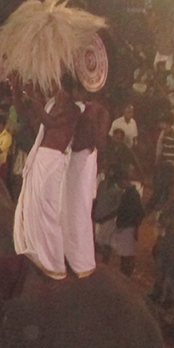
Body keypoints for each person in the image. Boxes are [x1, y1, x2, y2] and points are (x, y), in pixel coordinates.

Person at [12, 77, 82, 279]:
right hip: (41, 157)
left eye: (58, 88)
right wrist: (16, 90)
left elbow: (50, 123)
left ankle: (54, 263)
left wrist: (36, 105)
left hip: (54, 161)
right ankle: (36, 253)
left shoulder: (74, 110)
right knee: (33, 205)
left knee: (48, 209)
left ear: (65, 90)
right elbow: (22, 113)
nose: (53, 90)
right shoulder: (50, 104)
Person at [62, 92, 109, 278]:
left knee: (78, 208)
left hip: (83, 161)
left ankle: (79, 258)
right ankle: (64, 251)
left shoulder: (100, 112)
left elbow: (100, 142)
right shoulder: (73, 106)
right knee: (64, 206)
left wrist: (90, 119)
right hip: (70, 160)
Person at [149, 113, 174, 210]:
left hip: (170, 165)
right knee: (164, 185)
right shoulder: (165, 134)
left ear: (168, 124)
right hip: (165, 163)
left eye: (162, 123)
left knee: (163, 184)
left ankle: (156, 204)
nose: (160, 125)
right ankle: (161, 203)